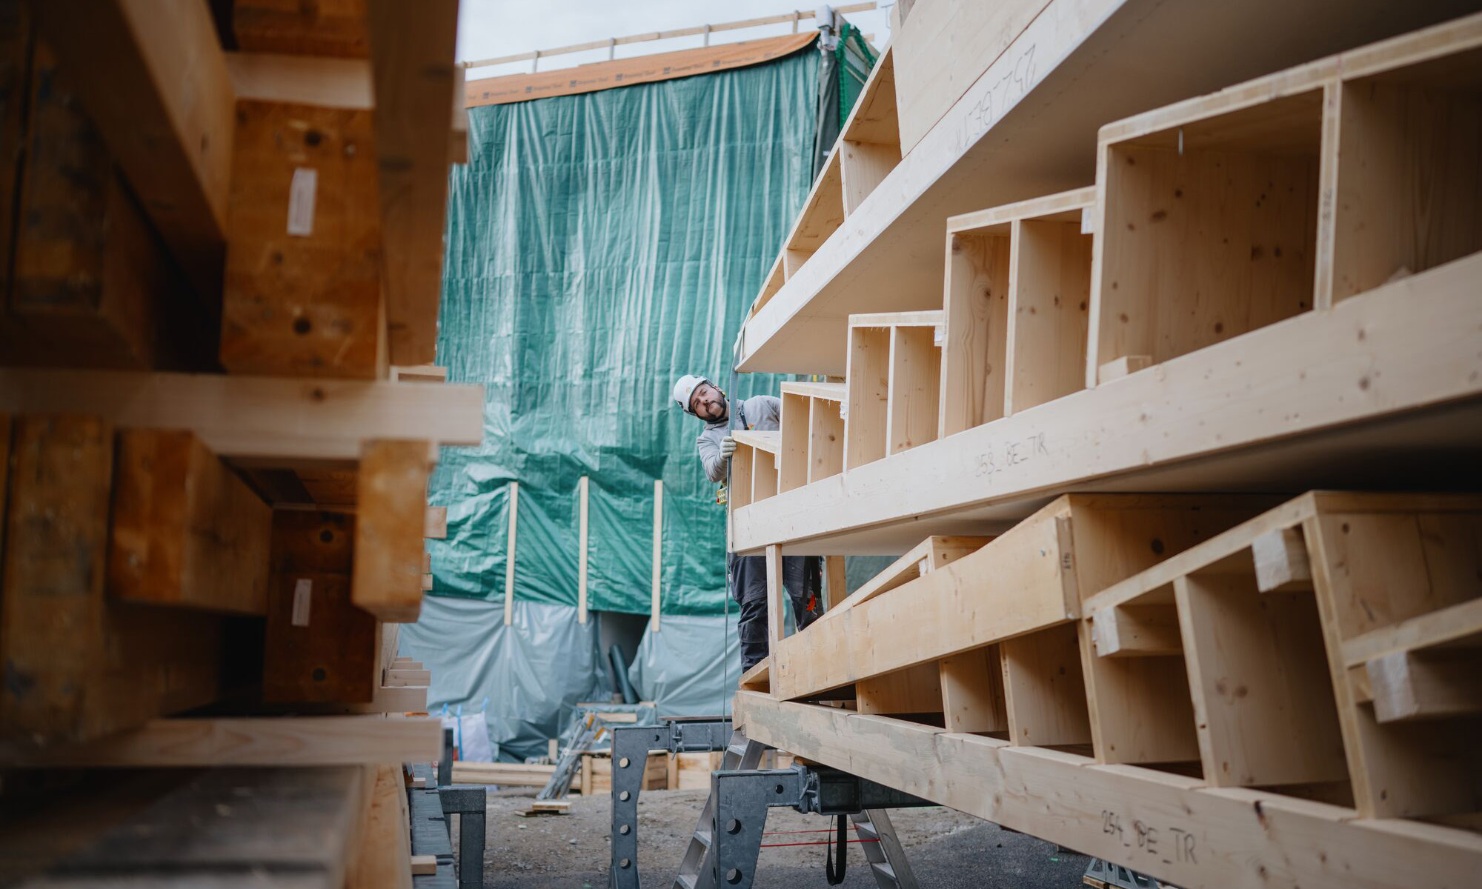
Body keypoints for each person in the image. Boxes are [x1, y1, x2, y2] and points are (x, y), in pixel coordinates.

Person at [672, 374, 819, 671]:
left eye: (704, 393)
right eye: (697, 404)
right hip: (747, 524)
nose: (705, 402)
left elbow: (804, 415)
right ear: (695, 414)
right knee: (754, 604)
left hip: (789, 514)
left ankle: (817, 667)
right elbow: (713, 471)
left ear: (715, 387)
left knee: (806, 598)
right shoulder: (708, 439)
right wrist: (724, 456)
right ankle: (756, 677)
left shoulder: (761, 406)